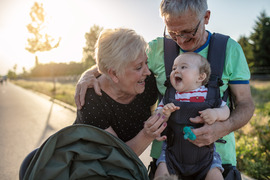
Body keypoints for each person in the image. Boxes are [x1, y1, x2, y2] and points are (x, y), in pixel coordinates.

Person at [74, 0, 254, 177]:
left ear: (206, 17)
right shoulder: (157, 49)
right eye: (173, 33)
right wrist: (88, 74)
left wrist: (223, 127)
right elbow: (116, 63)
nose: (181, 41)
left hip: (217, 161)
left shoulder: (229, 50)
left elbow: (246, 104)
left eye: (188, 32)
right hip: (167, 159)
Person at [74, 27, 167, 156]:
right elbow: (119, 157)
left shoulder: (146, 83)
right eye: (139, 67)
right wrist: (147, 135)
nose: (147, 71)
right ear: (114, 73)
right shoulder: (90, 101)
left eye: (146, 62)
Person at [154, 52, 230, 179]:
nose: (176, 70)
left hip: (206, 156)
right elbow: (157, 116)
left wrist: (216, 113)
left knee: (215, 175)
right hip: (172, 154)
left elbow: (226, 110)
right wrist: (164, 113)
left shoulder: (209, 94)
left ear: (200, 77)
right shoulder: (170, 96)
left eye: (183, 67)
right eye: (174, 68)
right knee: (162, 173)